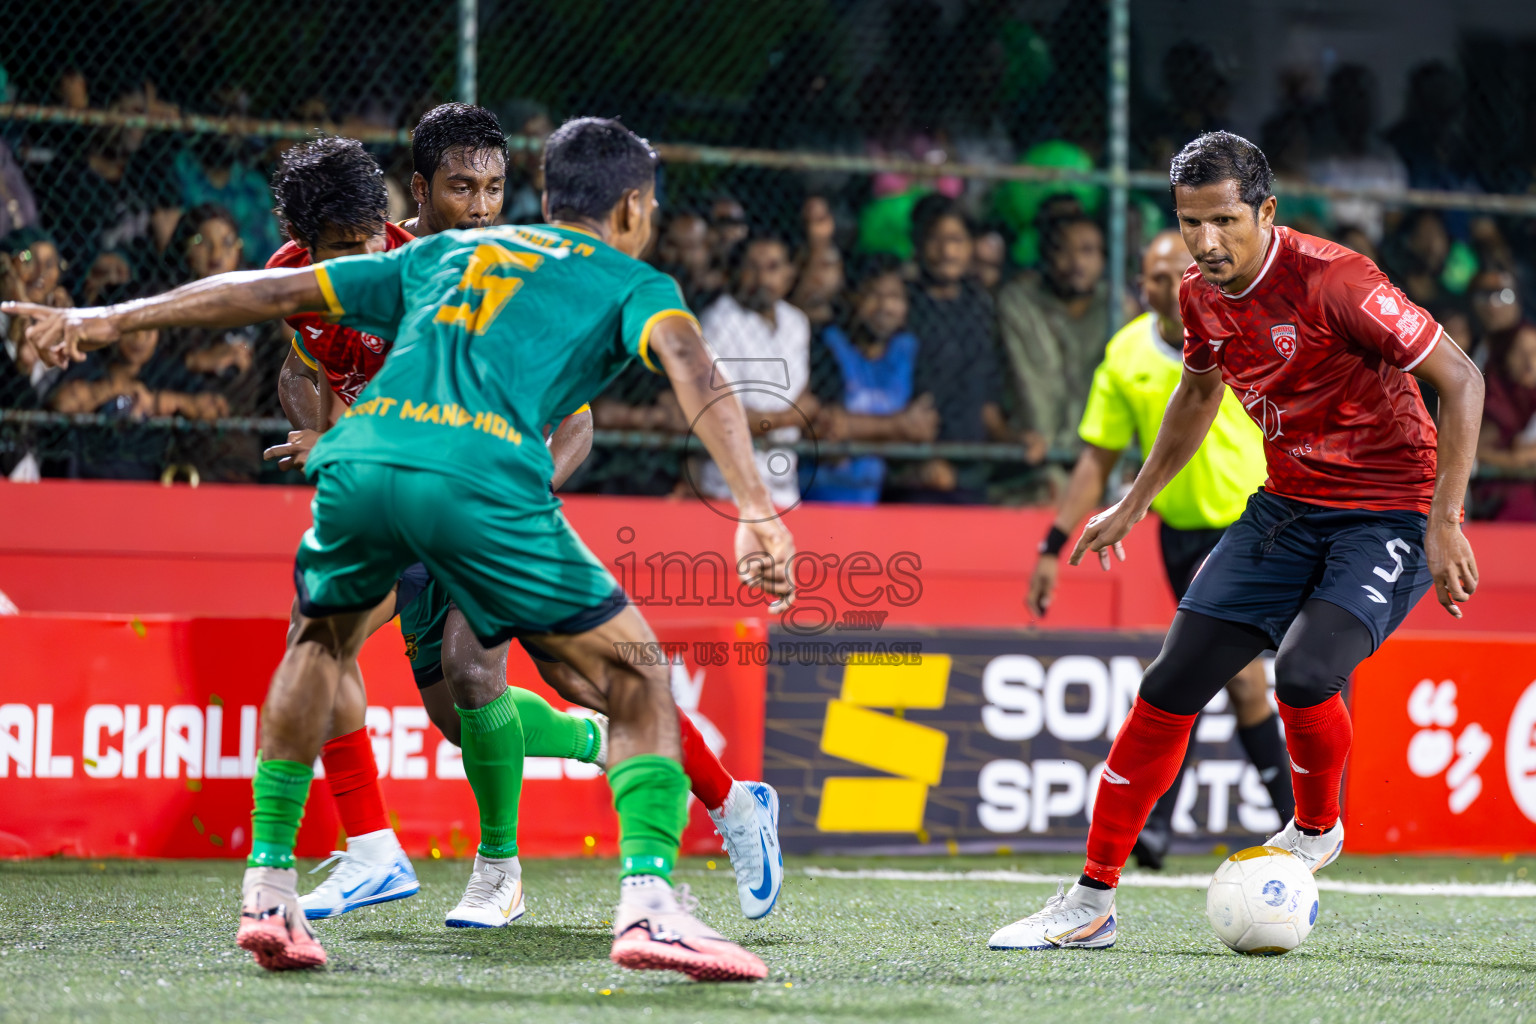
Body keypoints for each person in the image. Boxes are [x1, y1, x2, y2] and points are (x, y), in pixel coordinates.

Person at [15, 117, 794, 982]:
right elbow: (696, 366)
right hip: (478, 481)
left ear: (535, 193)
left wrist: (100, 318)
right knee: (632, 674)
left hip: (370, 468)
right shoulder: (627, 279)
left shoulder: (442, 258)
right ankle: (651, 907)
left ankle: (270, 888)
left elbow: (267, 296)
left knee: (323, 645)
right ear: (636, 207)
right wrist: (756, 508)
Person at [265, 129, 786, 932]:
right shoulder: (305, 280)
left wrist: (510, 490)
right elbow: (302, 368)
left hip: (489, 502)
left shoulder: (465, 278)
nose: (477, 207)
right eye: (460, 189)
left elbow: (575, 421)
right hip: (402, 505)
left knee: (484, 672)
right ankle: (378, 846)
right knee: (346, 656)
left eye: (492, 189)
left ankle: (502, 870)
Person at [988, 131, 1482, 951]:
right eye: (1191, 223)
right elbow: (1197, 393)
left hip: (1389, 511)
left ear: (1266, 211)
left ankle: (1316, 828)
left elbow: (1462, 377)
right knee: (1168, 684)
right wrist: (1134, 501)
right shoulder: (1197, 295)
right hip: (1286, 506)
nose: (1207, 242)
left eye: (1224, 220)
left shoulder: (1338, 280)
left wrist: (1446, 519)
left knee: (1304, 671)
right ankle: (1091, 901)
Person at [1024, 230, 1293, 866]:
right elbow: (1097, 458)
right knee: (1213, 676)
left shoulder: (1240, 328)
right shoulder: (1125, 355)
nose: (1166, 287)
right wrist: (1052, 543)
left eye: (1177, 273)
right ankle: (1288, 824)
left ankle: (1190, 826)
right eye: (1152, 277)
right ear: (1139, 285)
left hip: (1255, 524)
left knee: (1228, 677)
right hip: (1180, 534)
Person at [904, 195, 1025, 501]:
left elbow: (987, 396)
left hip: (971, 460)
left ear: (971, 246)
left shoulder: (981, 306)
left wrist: (1014, 440)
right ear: (918, 244)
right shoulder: (903, 305)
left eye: (956, 240)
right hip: (911, 458)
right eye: (935, 240)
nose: (946, 251)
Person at [805, 254, 937, 504]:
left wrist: (854, 429)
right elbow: (828, 430)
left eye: (895, 297)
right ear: (852, 298)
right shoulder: (826, 346)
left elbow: (923, 429)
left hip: (879, 500)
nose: (885, 307)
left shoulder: (909, 351)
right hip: (821, 498)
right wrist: (897, 427)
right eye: (874, 295)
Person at [696, 232, 814, 509]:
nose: (762, 278)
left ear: (789, 273)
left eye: (773, 267)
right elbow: (719, 414)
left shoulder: (797, 323)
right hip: (727, 490)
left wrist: (791, 417)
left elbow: (805, 398)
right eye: (752, 267)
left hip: (785, 486)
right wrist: (788, 418)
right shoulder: (718, 322)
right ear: (736, 272)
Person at [997, 209, 1118, 458]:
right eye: (1063, 250)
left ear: (1103, 258)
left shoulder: (1116, 310)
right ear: (1046, 256)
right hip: (1033, 456)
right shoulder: (1020, 304)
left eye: (1087, 251)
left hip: (1100, 455)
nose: (1076, 263)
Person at [397, 102, 506, 236]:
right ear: (421, 188)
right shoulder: (381, 250)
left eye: (494, 190)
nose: (482, 209)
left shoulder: (508, 253)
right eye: (462, 188)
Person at [1473, 322, 1536, 521]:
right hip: (1489, 510)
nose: (1530, 362)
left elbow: (1523, 456)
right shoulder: (1490, 403)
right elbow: (1474, 449)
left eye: (1535, 352)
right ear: (1504, 358)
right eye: (1519, 352)